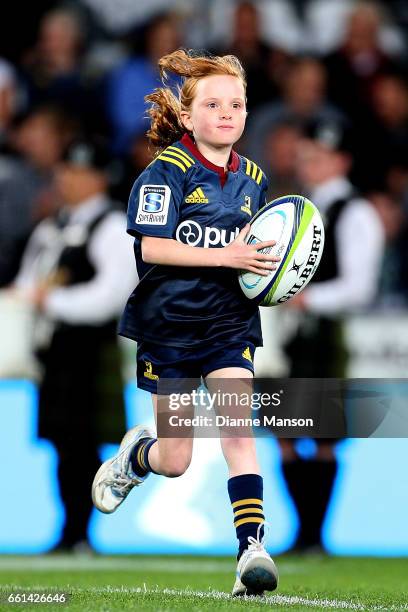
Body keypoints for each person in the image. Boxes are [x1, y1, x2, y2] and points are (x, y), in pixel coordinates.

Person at [92, 48, 280, 596]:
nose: (227, 113)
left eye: (238, 104)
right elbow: (152, 247)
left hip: (228, 325)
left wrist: (275, 275)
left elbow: (256, 260)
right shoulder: (165, 172)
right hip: (169, 326)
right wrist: (228, 258)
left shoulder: (255, 179)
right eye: (214, 104)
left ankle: (251, 551)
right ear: (189, 114)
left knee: (238, 433)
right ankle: (137, 455)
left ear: (247, 114)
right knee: (176, 460)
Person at [14, 137, 136, 552]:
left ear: (100, 178)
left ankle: (82, 531)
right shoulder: (53, 227)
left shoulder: (112, 225)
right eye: (65, 169)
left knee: (84, 442)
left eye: (78, 171)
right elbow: (28, 281)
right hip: (55, 349)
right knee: (64, 443)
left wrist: (52, 301)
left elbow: (112, 294)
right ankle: (69, 531)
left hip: (90, 346)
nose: (67, 178)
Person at [281, 117, 385, 552]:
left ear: (341, 161)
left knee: (323, 439)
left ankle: (314, 536)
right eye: (306, 155)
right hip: (289, 337)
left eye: (320, 157)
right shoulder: (297, 207)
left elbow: (360, 286)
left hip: (324, 333)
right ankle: (302, 533)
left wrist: (307, 299)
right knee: (285, 434)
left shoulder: (355, 211)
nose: (310, 164)